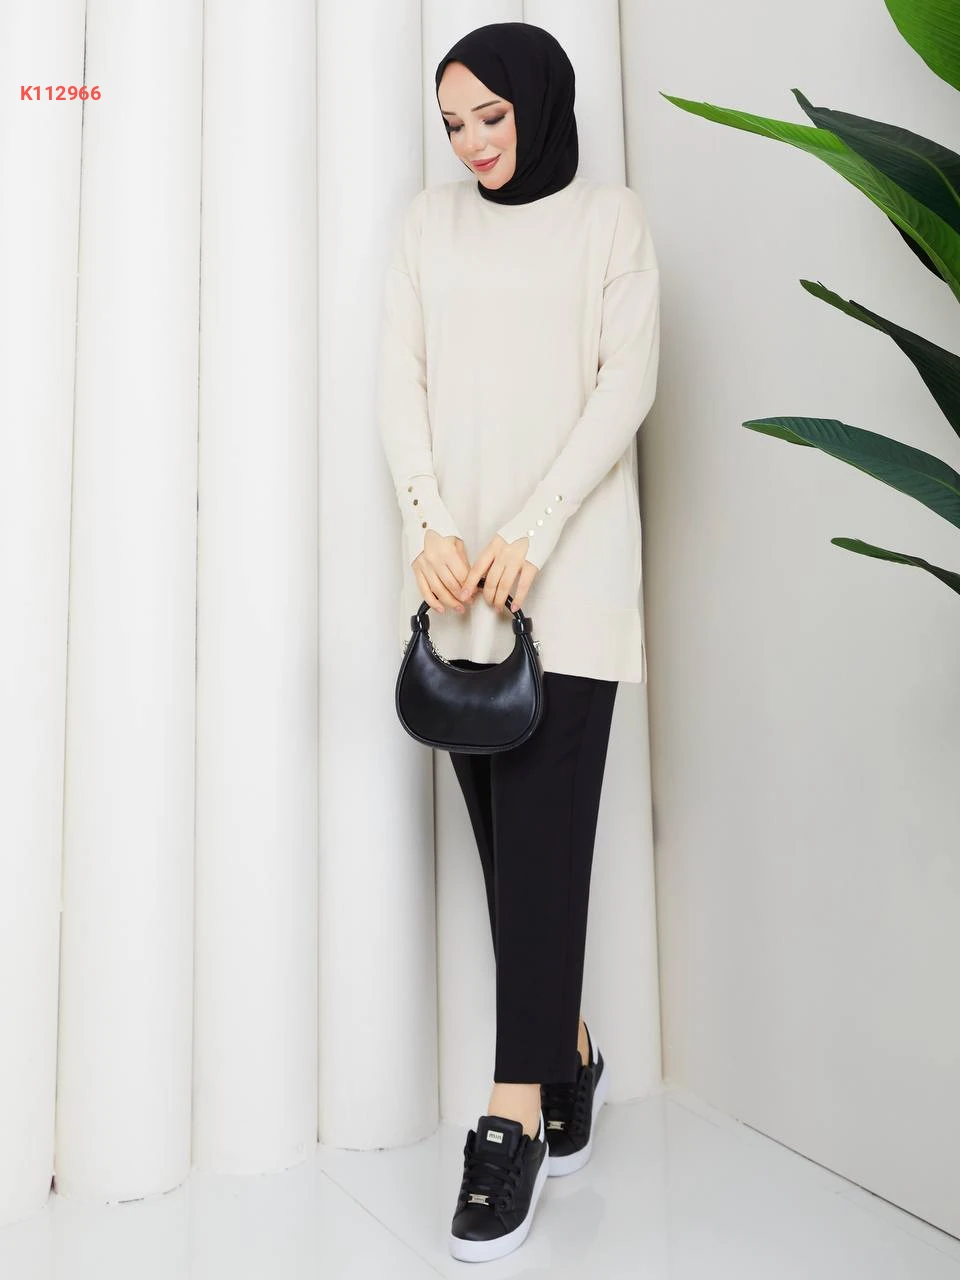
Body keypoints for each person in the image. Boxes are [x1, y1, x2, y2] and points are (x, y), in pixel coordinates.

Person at [375, 20, 660, 1264]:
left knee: (542, 845)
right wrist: (426, 522)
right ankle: (571, 1051)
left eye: (492, 116)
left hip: (570, 575)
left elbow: (624, 389)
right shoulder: (427, 227)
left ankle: (514, 1118)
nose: (474, 143)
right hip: (460, 583)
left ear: (540, 103)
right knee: (511, 856)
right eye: (454, 124)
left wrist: (535, 527)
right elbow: (401, 381)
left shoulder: (612, 223)